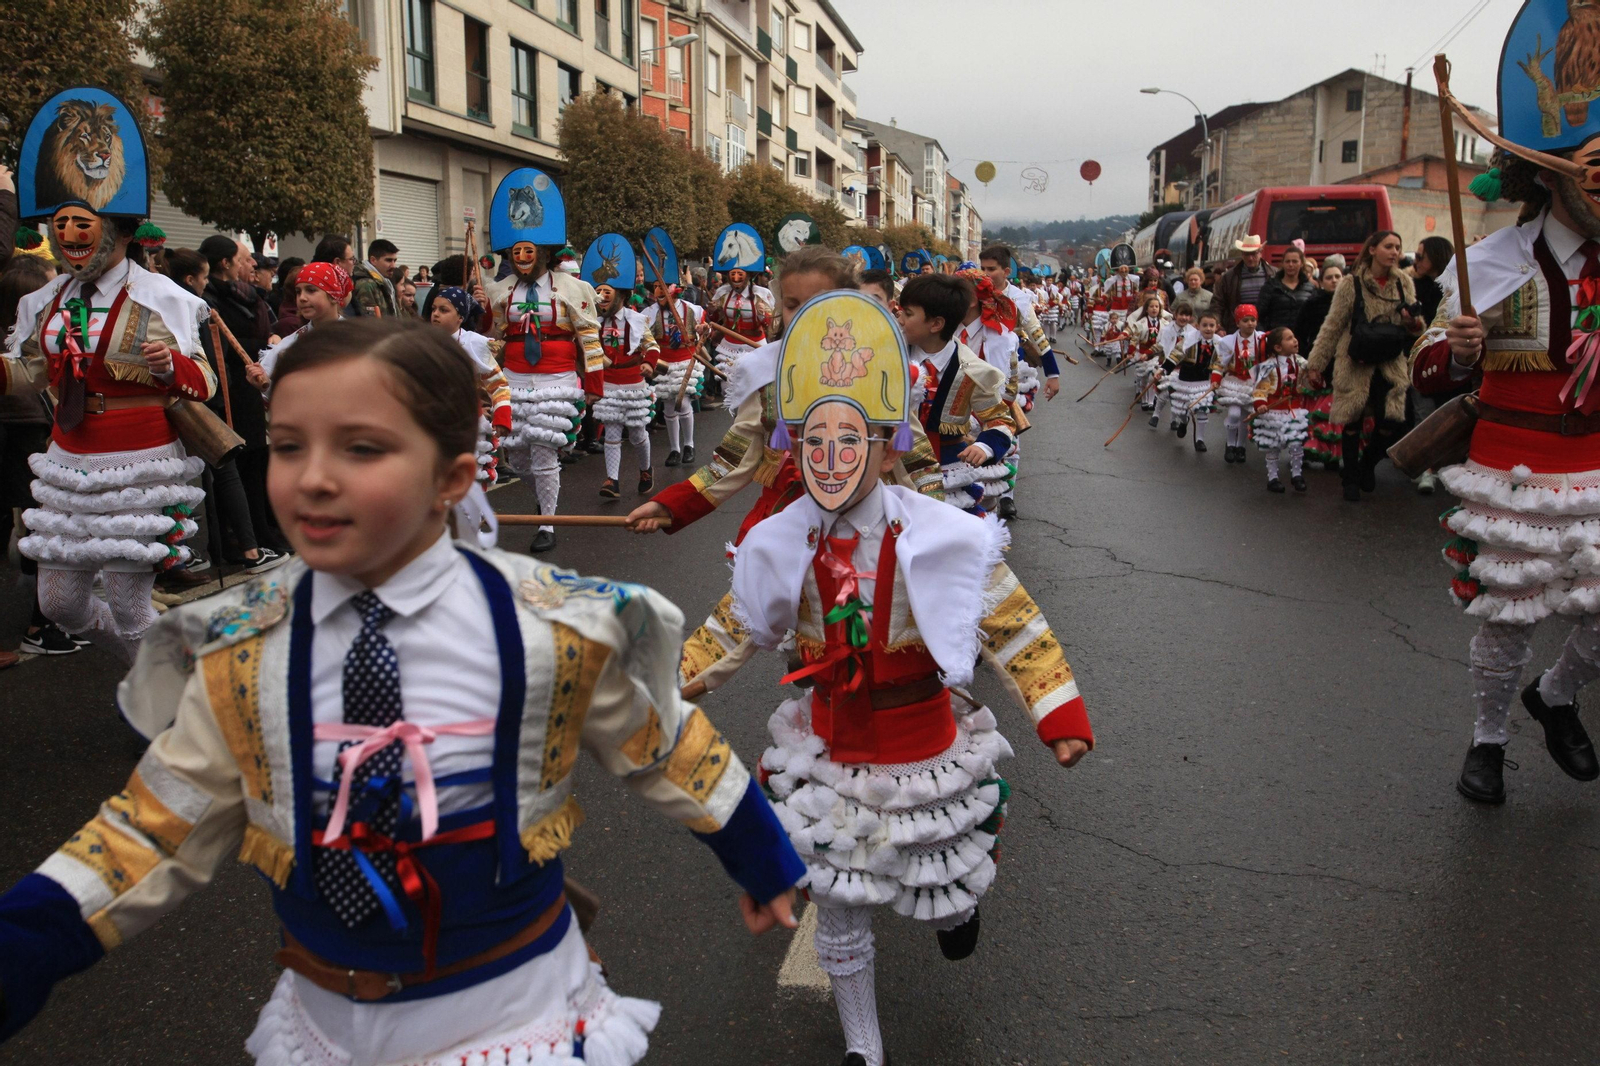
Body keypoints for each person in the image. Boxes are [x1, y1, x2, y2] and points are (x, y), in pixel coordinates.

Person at [0, 317, 806, 1060]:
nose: (314, 478)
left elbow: (669, 748)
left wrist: (763, 859)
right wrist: (21, 949)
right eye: (288, 445)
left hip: (512, 1015)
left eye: (362, 448)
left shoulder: (549, 630)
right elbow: (151, 833)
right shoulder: (242, 651)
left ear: (453, 477)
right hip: (327, 1024)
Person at [725, 288, 1092, 1066]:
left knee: (939, 887)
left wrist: (1059, 716)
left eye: (850, 441)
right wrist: (678, 678)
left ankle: (957, 914)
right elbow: (736, 621)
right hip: (829, 740)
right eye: (814, 442)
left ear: (889, 449)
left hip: (923, 739)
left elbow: (1013, 623)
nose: (831, 459)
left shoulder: (946, 537)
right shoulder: (781, 539)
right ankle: (864, 1045)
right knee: (839, 899)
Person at [0, 89, 218, 663]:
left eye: (82, 224)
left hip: (139, 459)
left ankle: (168, 694)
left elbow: (205, 383)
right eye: (60, 226)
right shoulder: (45, 300)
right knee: (58, 604)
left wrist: (171, 367)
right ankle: (160, 668)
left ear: (119, 231)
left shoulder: (161, 296)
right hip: (68, 460)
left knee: (128, 605)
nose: (68, 237)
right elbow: (29, 373)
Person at [478, 168, 602, 554]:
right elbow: (492, 337)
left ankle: (547, 522)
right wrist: (481, 315)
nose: (521, 258)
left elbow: (589, 338)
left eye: (528, 251)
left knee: (544, 451)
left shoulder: (573, 289)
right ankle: (544, 499)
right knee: (517, 456)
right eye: (515, 252)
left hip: (557, 377)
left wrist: (594, 384)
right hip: (514, 378)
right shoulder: (501, 291)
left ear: (544, 252)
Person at [1303, 230, 1420, 502]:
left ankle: (1367, 463)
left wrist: (1412, 321)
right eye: (1388, 246)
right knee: (1352, 419)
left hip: (1390, 362)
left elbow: (1416, 326)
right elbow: (1333, 326)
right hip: (1355, 359)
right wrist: (1316, 364)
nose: (1394, 252)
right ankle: (1351, 479)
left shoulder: (1403, 282)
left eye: (1398, 247)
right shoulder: (1350, 284)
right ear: (1372, 250)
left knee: (1390, 421)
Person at [0, 256, 74, 661]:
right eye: (50, 290)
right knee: (44, 528)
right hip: (24, 439)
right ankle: (38, 625)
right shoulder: (19, 350)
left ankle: (44, 620)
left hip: (32, 436)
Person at [899, 274, 1016, 514]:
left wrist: (984, 447)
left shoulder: (973, 371)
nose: (899, 319)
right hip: (896, 465)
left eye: (908, 314)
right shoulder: (891, 355)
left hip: (947, 468)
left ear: (936, 324)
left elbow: (1001, 421)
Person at [428, 286, 512, 487]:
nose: (436, 314)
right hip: (430, 423)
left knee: (467, 485)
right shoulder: (422, 342)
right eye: (433, 309)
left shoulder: (475, 343)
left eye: (443, 310)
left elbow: (498, 383)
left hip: (466, 423)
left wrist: (502, 416)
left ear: (460, 317)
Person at [591, 274, 660, 499]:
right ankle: (612, 480)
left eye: (607, 292)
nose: (601, 297)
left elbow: (652, 347)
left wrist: (649, 364)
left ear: (621, 295)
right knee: (611, 431)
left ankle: (646, 469)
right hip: (608, 383)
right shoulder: (593, 321)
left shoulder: (637, 320)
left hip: (634, 383)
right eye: (598, 292)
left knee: (637, 433)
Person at [644, 279, 703, 468]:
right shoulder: (649, 313)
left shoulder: (692, 309)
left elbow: (704, 331)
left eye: (662, 287)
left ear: (677, 289)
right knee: (668, 406)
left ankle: (689, 445)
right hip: (663, 363)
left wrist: (703, 330)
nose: (658, 291)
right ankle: (674, 449)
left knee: (682, 402)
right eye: (655, 287)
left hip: (685, 360)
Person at [1296, 260, 1349, 470]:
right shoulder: (1312, 304)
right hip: (1318, 361)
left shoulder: (1352, 303)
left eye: (1338, 277)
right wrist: (1306, 361)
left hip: (1344, 362)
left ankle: (1334, 454)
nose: (1334, 281)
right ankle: (1307, 451)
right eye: (1329, 277)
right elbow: (1300, 332)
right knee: (1314, 410)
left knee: (1336, 412)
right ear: (1321, 281)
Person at [1251, 326, 1311, 493]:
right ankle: (1273, 478)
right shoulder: (1268, 367)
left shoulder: (1300, 362)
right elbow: (1260, 388)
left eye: (1294, 337)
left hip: (1293, 409)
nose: (1295, 340)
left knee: (1296, 443)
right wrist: (1260, 403)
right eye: (1289, 338)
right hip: (1274, 411)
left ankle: (1297, 475)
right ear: (1278, 347)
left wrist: (1314, 378)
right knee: (1273, 445)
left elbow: (1309, 379)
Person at [1156, 304, 1215, 452]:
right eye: (1205, 325)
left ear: (1216, 327)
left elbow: (1223, 362)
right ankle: (1184, 421)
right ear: (1198, 326)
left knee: (1202, 410)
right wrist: (1163, 370)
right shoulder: (1189, 339)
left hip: (1203, 381)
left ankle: (1200, 439)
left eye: (1211, 325)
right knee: (1181, 410)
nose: (1208, 328)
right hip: (1185, 379)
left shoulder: (1219, 343)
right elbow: (1175, 355)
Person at [1212, 303, 1265, 464]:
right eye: (1245, 320)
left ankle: (1241, 446)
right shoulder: (1228, 341)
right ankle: (1230, 444)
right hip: (1234, 382)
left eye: (1253, 320)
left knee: (1245, 417)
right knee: (1234, 414)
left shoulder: (1262, 340)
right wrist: (1215, 379)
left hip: (1252, 383)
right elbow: (1220, 363)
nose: (1250, 324)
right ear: (1237, 323)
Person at [704, 263, 773, 379]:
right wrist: (712, 311)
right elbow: (715, 319)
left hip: (754, 344)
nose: (736, 278)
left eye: (740, 274)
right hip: (729, 346)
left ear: (748, 275)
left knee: (754, 381)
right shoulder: (723, 293)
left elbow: (771, 324)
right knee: (727, 382)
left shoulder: (761, 294)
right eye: (733, 274)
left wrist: (762, 314)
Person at [1213, 235, 1278, 331]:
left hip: (1266, 328)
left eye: (1253, 254)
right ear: (1242, 255)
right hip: (1238, 329)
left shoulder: (1274, 274)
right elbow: (1217, 303)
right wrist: (1219, 327)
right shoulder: (1229, 277)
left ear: (1260, 253)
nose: (1250, 258)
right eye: (1247, 254)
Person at [1126, 293, 1172, 419]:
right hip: (1143, 353)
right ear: (1146, 309)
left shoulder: (1165, 324)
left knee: (1153, 376)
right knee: (1143, 377)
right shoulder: (1140, 323)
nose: (1154, 309)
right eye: (1151, 306)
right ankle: (1144, 399)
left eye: (1156, 306)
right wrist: (1130, 352)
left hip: (1157, 355)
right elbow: (1134, 339)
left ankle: (1151, 401)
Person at [1256, 245, 1317, 334]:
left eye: (1294, 261)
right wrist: (1265, 335)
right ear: (1283, 264)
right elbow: (1259, 315)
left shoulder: (1310, 288)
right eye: (1287, 261)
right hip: (1277, 337)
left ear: (1301, 264)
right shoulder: (1270, 286)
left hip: (1302, 338)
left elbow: (1315, 316)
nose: (1290, 265)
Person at [1411, 235, 1453, 332]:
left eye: (1419, 257)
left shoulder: (1452, 288)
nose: (1415, 261)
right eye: (1416, 256)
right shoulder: (1416, 285)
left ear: (1435, 257)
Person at [354, 238, 400, 318]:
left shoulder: (385, 282)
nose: (393, 265)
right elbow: (369, 322)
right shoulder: (366, 285)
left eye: (394, 261)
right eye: (388, 260)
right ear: (373, 260)